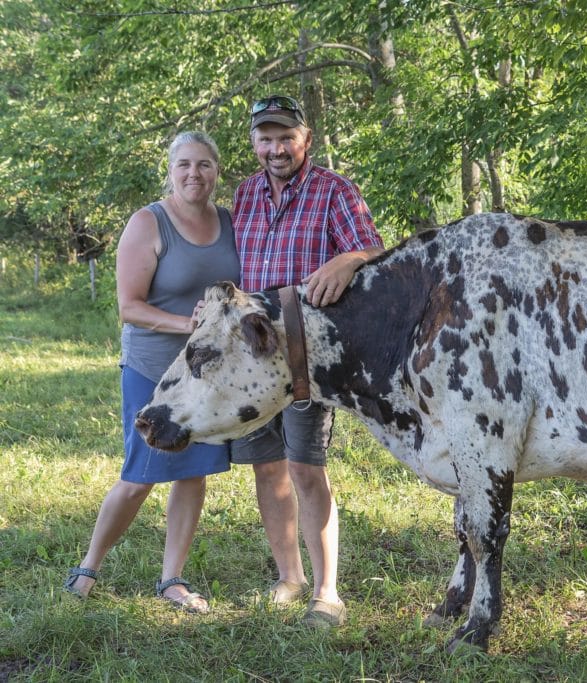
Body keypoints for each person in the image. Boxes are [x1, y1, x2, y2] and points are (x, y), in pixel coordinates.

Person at [63, 131, 241, 613]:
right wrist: (189, 324)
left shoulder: (229, 221)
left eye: (204, 165)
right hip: (152, 367)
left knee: (193, 472)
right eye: (184, 164)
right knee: (140, 473)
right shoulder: (149, 222)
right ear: (170, 169)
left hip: (205, 373)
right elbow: (129, 307)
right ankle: (87, 567)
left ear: (216, 171)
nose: (194, 174)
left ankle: (172, 580)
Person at [231, 95, 384, 627]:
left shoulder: (334, 191)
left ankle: (327, 592)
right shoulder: (245, 195)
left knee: (305, 466)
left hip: (305, 358)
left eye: (285, 138)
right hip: (251, 357)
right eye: (265, 138)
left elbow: (375, 250)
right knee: (267, 468)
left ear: (306, 138)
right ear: (253, 142)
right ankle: (288, 577)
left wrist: (347, 258)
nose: (275, 149)